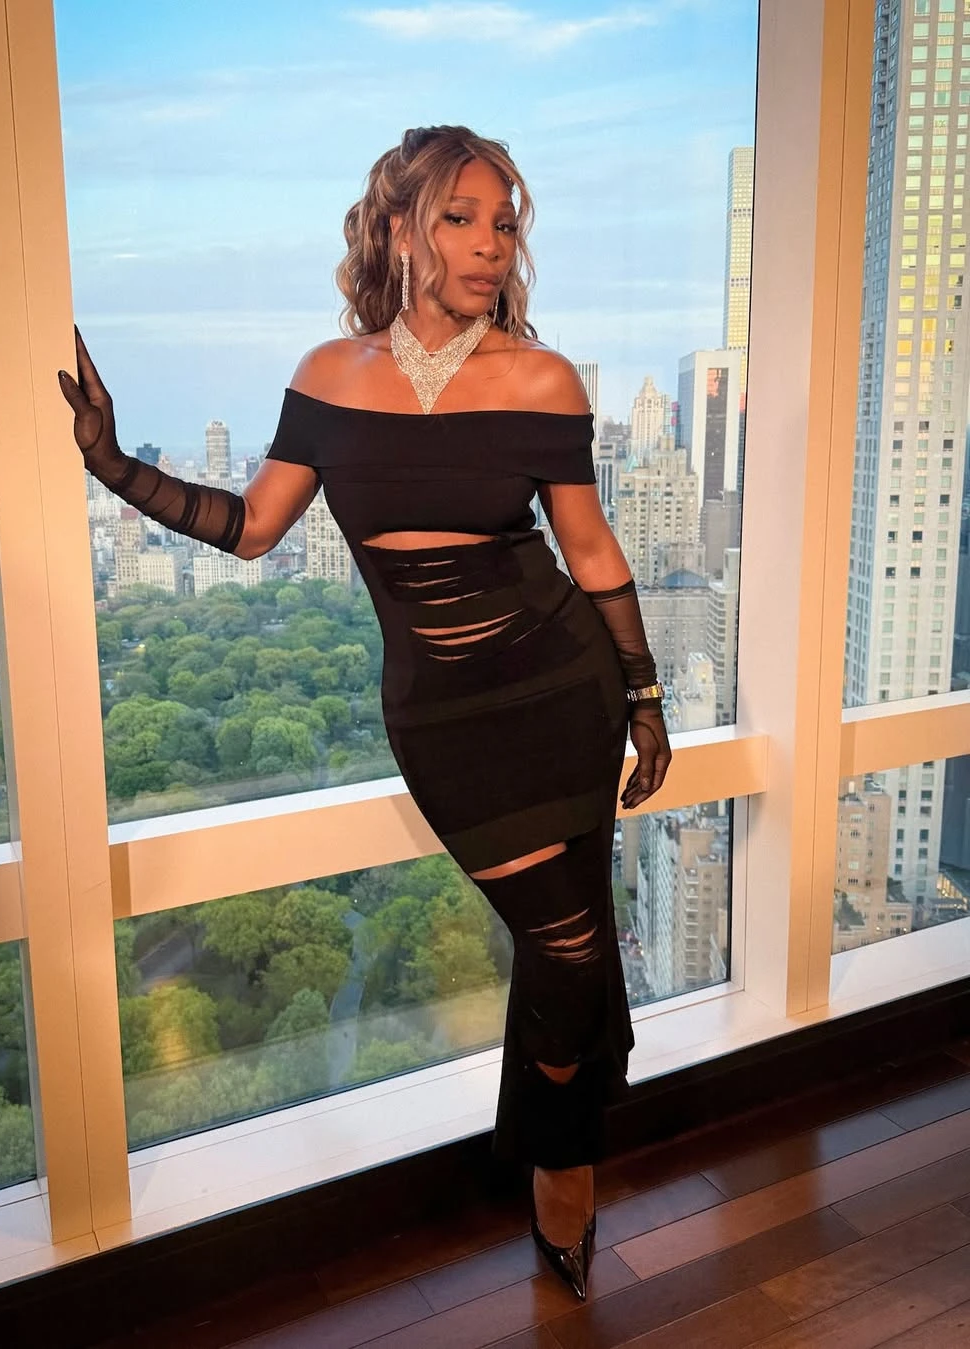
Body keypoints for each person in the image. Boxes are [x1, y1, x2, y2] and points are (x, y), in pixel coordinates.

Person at [58, 124, 671, 1302]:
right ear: (398, 227)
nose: (490, 244)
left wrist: (644, 694)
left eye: (505, 223)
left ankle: (561, 1163)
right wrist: (112, 464)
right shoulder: (328, 377)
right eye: (461, 218)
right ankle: (565, 1138)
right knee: (568, 942)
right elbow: (252, 528)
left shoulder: (543, 378)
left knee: (573, 940)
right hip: (444, 723)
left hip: (565, 688)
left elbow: (590, 550)